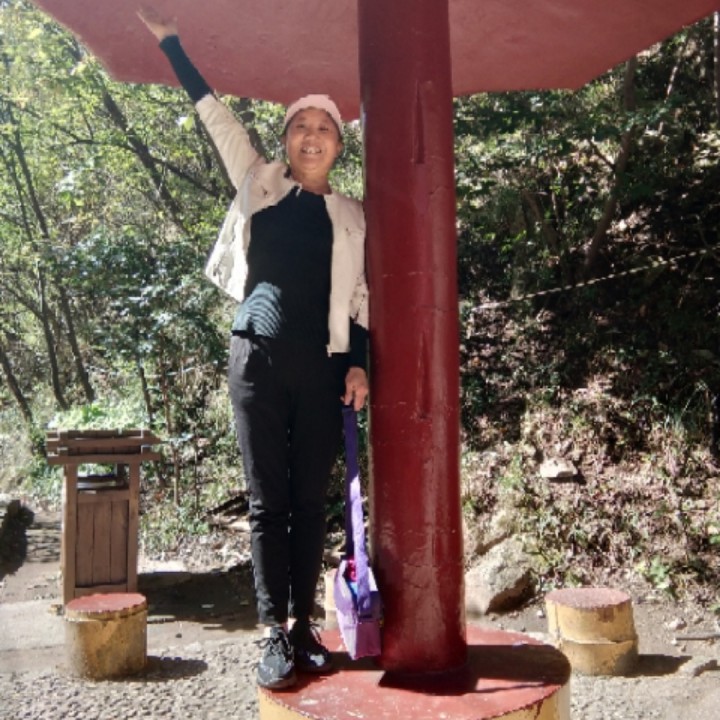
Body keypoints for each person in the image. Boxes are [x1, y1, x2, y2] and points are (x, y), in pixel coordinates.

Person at [138, 7, 369, 690]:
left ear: (338, 146)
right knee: (268, 503)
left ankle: (305, 628)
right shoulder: (259, 181)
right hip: (257, 359)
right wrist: (172, 45)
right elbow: (216, 118)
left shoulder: (353, 215)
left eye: (323, 128)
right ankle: (273, 631)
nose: (311, 136)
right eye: (300, 126)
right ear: (286, 139)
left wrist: (360, 362)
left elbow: (361, 298)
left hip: (323, 366)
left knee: (309, 501)